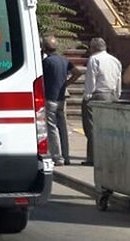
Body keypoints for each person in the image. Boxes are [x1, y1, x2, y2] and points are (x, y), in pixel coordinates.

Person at [80, 37, 122, 166]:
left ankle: (93, 157)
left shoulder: (94, 59)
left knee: (91, 127)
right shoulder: (115, 60)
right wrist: (117, 95)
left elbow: (91, 79)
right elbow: (118, 79)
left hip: (97, 94)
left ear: (93, 48)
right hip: (112, 95)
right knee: (109, 127)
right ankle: (110, 155)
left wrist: (87, 96)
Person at [41, 34, 80, 165]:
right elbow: (77, 73)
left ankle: (57, 157)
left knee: (52, 128)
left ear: (44, 48)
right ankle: (66, 155)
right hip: (61, 98)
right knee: (62, 127)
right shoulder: (64, 60)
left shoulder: (46, 62)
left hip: (50, 98)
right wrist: (66, 83)